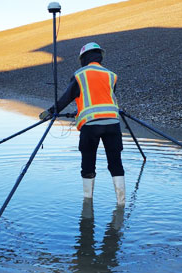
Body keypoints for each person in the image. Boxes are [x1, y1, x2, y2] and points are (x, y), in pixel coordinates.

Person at [40, 42, 125, 206]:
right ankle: (121, 203)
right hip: (113, 124)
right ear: (99, 56)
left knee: (88, 162)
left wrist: (50, 112)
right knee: (115, 163)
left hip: (91, 126)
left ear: (83, 58)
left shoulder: (80, 75)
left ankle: (88, 205)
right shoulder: (111, 75)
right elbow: (103, 98)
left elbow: (67, 97)